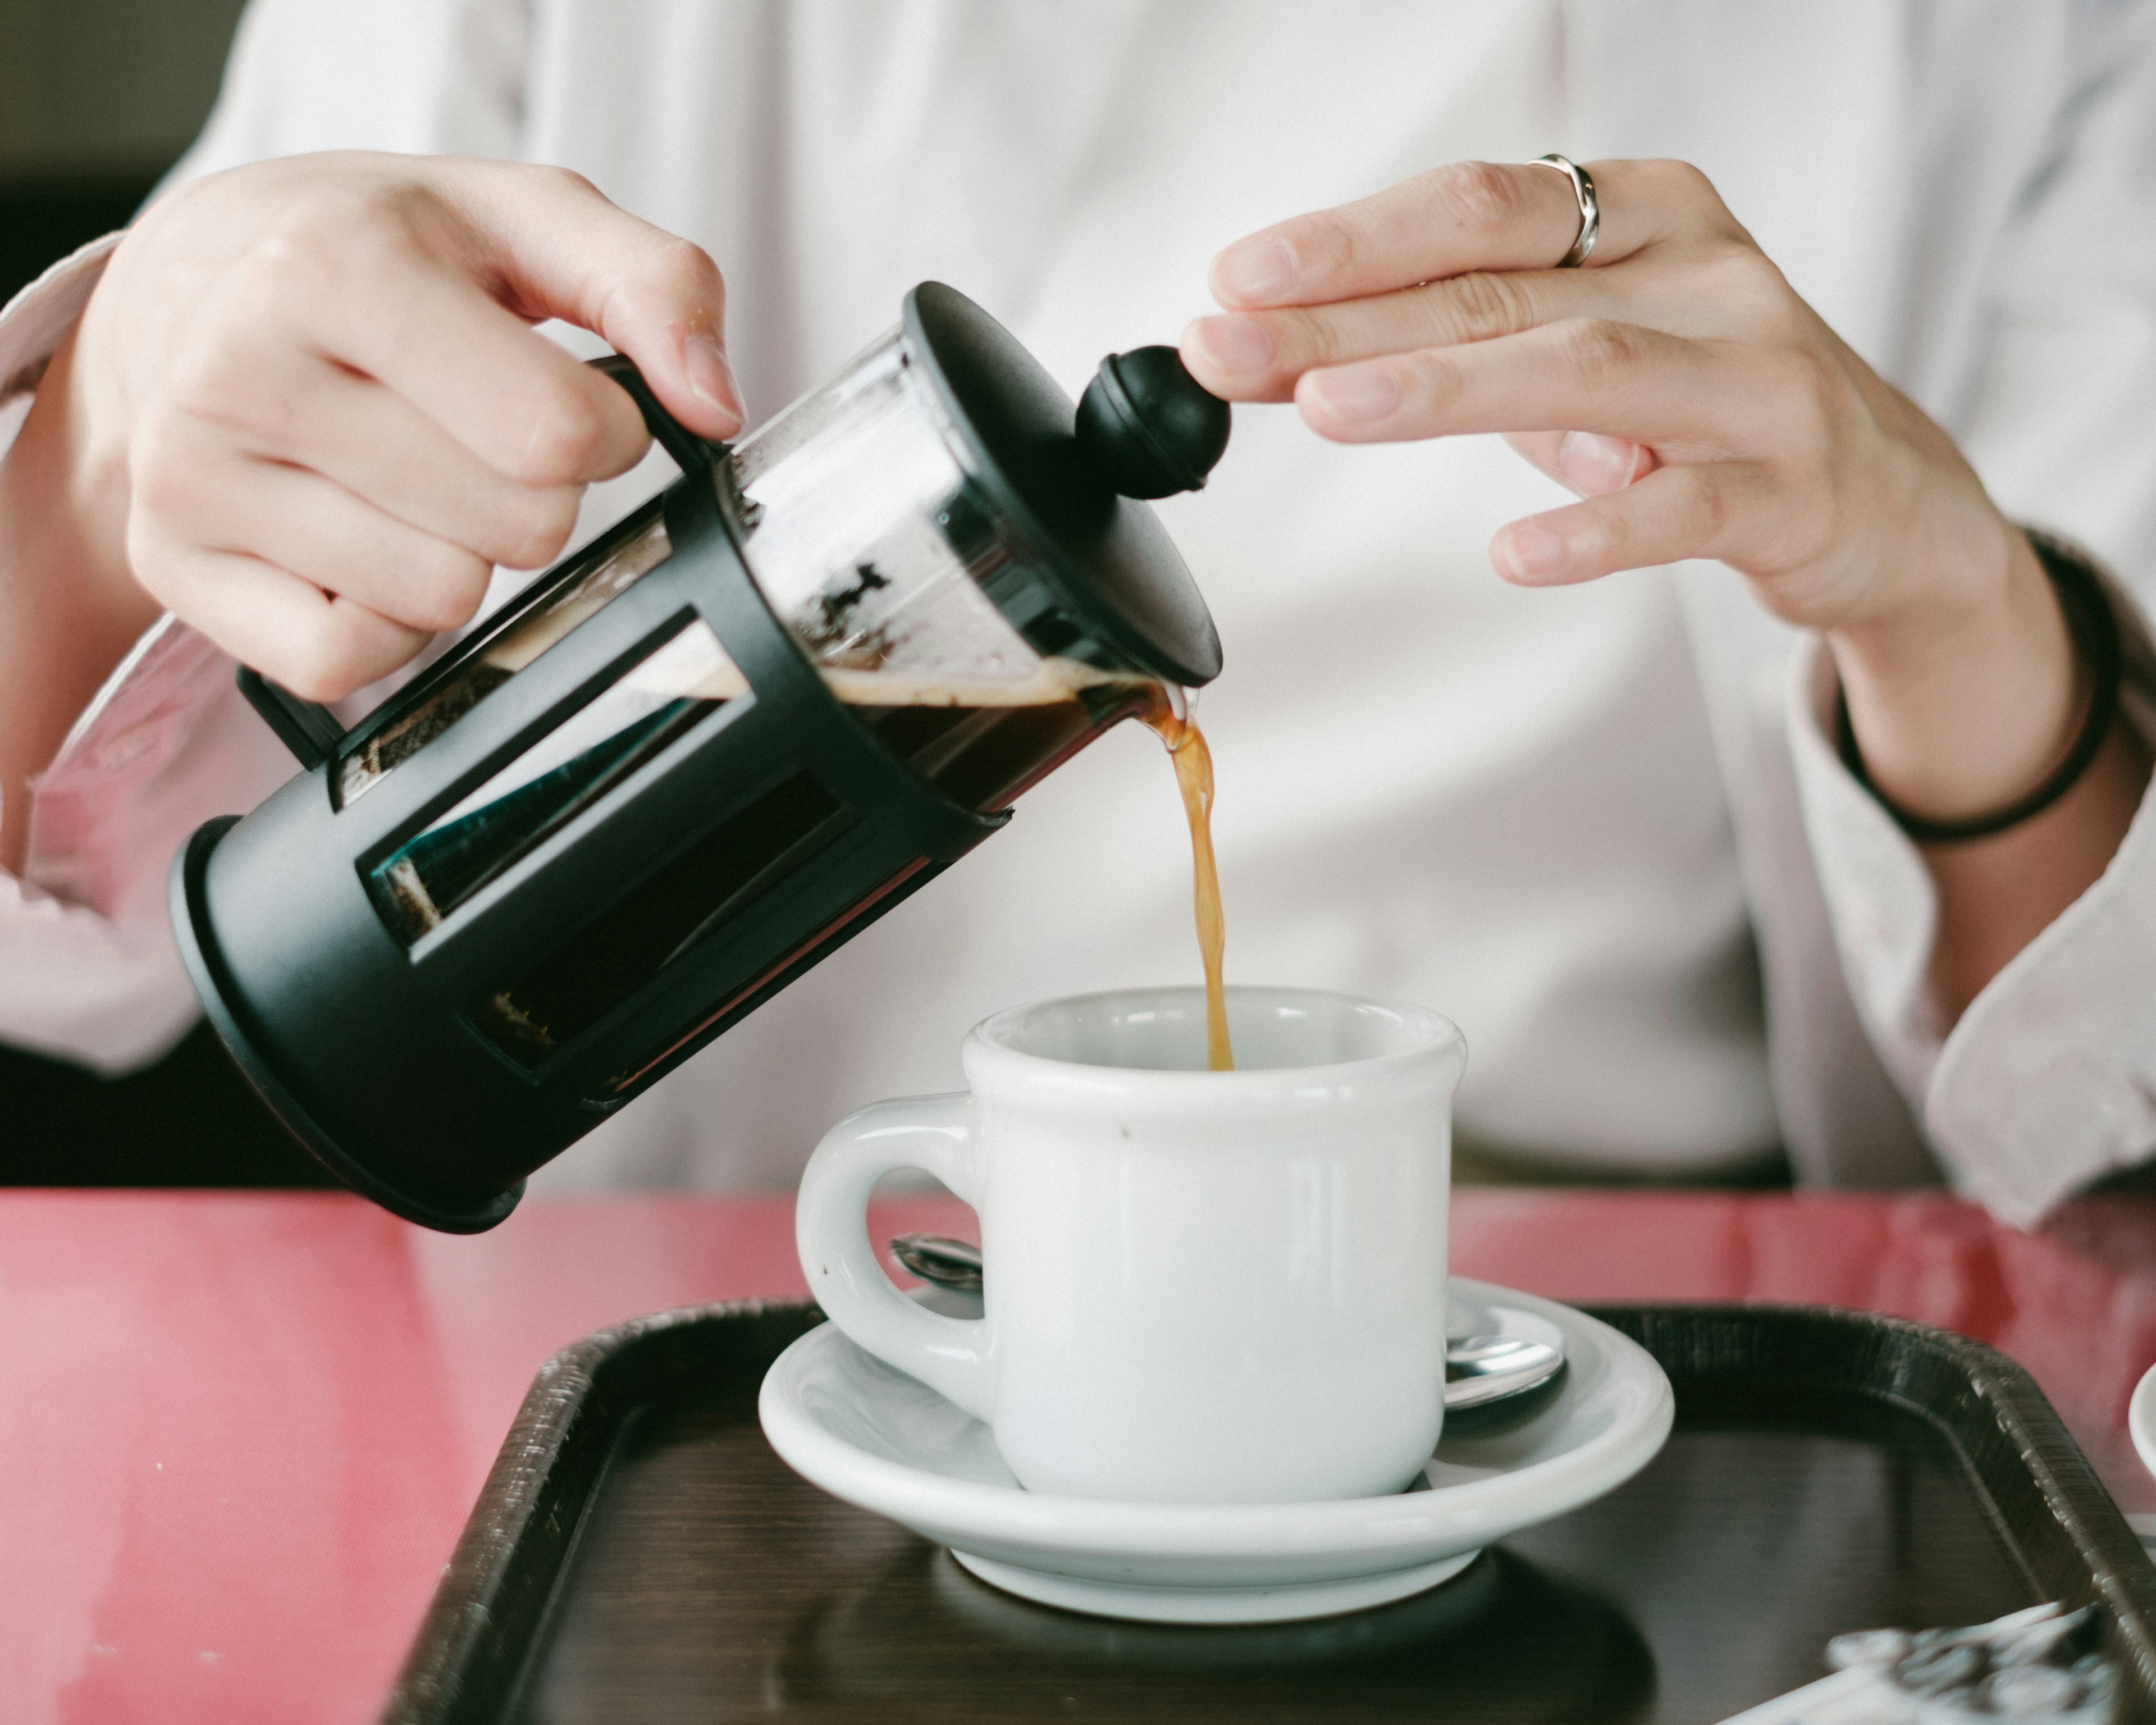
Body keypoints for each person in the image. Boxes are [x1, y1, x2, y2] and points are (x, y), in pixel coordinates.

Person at [1, 1, 2152, 1225]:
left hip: (1652, 1346)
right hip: (718, 1326)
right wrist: (110, 447)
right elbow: (72, 936)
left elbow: (2105, 1119)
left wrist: (1957, 601)